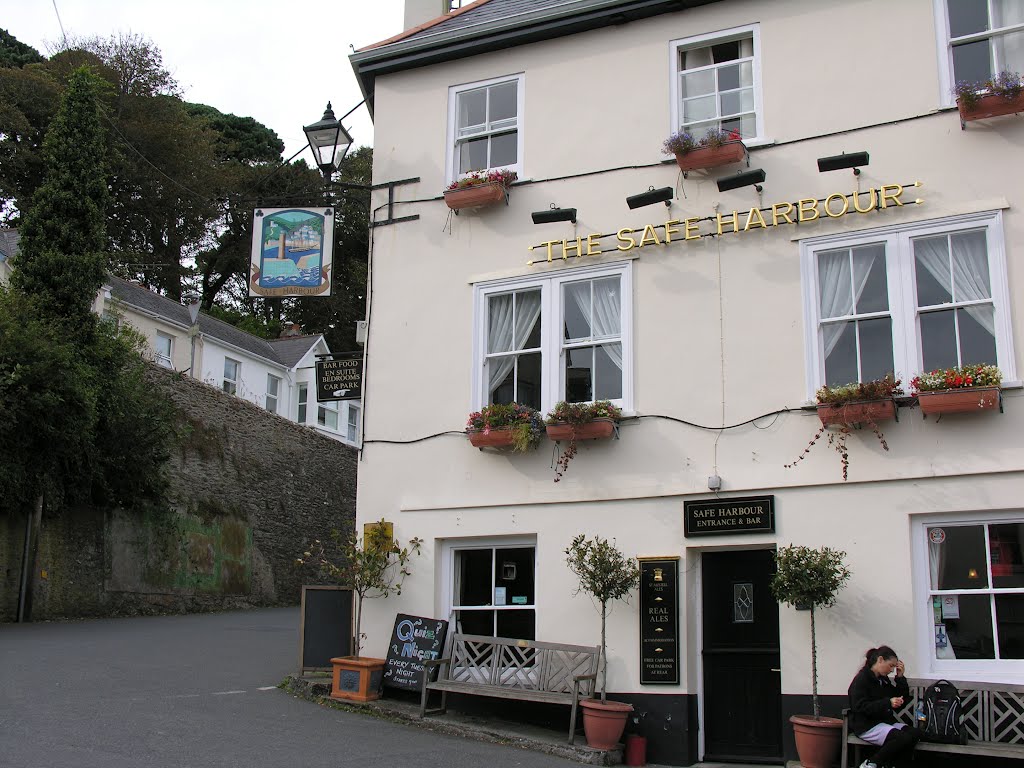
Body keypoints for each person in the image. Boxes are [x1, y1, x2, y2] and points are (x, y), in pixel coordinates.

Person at [847, 646, 919, 768]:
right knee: (902, 738)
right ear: (880, 660)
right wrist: (887, 703)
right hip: (866, 725)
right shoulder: (861, 680)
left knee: (914, 734)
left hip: (884, 722)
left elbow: (897, 696)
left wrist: (900, 678)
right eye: (891, 666)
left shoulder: (883, 680)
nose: (892, 670)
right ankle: (871, 763)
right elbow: (859, 706)